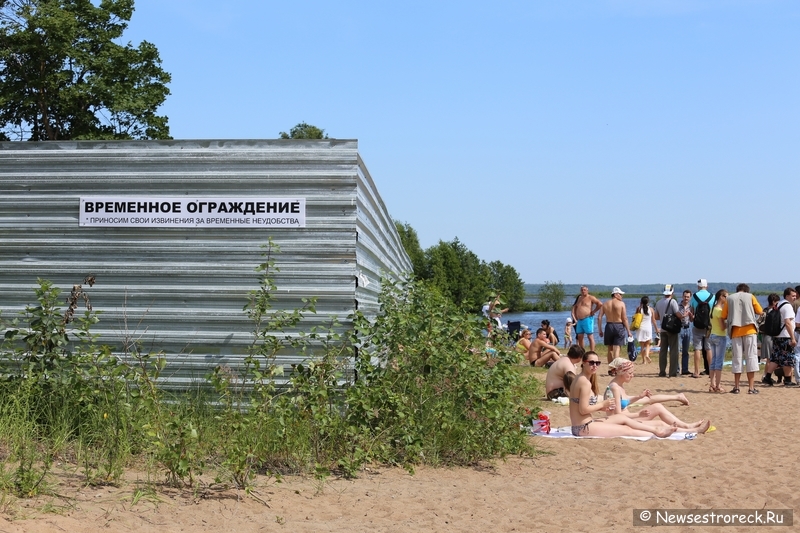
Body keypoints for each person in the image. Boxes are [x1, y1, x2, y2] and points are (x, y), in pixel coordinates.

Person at [567, 351, 676, 438]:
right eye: (591, 363)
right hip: (582, 427)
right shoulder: (584, 382)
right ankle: (656, 434)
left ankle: (655, 430)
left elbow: (580, 406)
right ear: (584, 363)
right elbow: (583, 410)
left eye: (597, 363)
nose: (595, 366)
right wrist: (602, 404)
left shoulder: (580, 379)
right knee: (627, 430)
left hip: (583, 424)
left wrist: (602, 409)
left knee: (622, 419)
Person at [604, 359, 710, 433]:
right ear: (621, 372)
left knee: (657, 406)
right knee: (660, 423)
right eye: (630, 373)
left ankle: (686, 425)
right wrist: (638, 414)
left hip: (629, 419)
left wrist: (639, 396)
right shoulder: (615, 388)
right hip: (622, 422)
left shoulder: (619, 385)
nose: (632, 375)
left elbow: (624, 401)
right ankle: (694, 430)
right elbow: (618, 415)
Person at [721, 283, 763, 394]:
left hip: (736, 331)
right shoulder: (751, 296)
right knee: (751, 358)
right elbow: (760, 311)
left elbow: (723, 316)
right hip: (750, 330)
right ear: (746, 290)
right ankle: (751, 387)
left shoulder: (729, 299)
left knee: (737, 359)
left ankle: (736, 387)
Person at [762, 288, 798, 387]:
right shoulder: (787, 306)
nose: (795, 298)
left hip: (777, 335)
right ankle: (787, 380)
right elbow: (788, 322)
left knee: (775, 358)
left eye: (795, 296)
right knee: (788, 358)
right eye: (793, 296)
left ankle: (767, 377)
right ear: (787, 296)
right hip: (785, 336)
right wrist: (793, 338)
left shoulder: (779, 304)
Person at [598, 287, 631, 366]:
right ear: (616, 294)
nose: (621, 296)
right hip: (618, 325)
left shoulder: (605, 304)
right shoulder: (621, 304)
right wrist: (628, 331)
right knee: (616, 348)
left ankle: (610, 368)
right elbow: (625, 318)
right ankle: (615, 368)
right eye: (620, 294)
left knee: (610, 348)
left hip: (609, 326)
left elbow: (599, 317)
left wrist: (600, 329)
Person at [653, 284, 680, 377]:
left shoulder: (659, 302)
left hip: (663, 329)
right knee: (673, 351)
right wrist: (683, 316)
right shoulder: (673, 302)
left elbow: (656, 316)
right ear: (672, 292)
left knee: (663, 351)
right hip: (672, 329)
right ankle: (672, 372)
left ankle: (662, 371)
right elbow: (677, 314)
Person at [691, 279, 714, 377]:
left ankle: (696, 371)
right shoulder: (712, 297)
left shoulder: (694, 296)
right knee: (708, 348)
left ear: (698, 286)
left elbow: (692, 311)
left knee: (697, 349)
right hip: (709, 325)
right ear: (707, 286)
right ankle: (711, 371)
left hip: (697, 326)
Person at [707, 289, 728, 393]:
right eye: (726, 297)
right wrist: (729, 323)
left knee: (714, 360)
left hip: (712, 335)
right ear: (721, 297)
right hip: (720, 336)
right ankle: (718, 385)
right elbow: (722, 326)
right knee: (719, 361)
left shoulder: (712, 308)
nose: (726, 299)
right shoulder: (719, 310)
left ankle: (712, 383)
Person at [571, 286, 602, 351]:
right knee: (580, 336)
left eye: (584, 290)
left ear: (587, 290)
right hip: (579, 320)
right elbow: (575, 307)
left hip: (587, 319)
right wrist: (575, 316)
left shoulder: (591, 297)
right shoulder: (579, 298)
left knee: (590, 336)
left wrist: (593, 311)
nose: (583, 291)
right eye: (582, 290)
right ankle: (582, 352)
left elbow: (600, 304)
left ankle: (592, 352)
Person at [633, 296, 657, 365]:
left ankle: (644, 361)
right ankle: (647, 355)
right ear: (648, 302)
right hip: (648, 328)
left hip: (641, 328)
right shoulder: (651, 309)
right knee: (648, 345)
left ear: (641, 302)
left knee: (642, 346)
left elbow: (635, 317)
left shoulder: (639, 309)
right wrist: (656, 329)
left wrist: (640, 306)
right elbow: (654, 320)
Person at [676, 290, 694, 376]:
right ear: (682, 296)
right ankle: (677, 369)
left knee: (686, 350)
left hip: (688, 328)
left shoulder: (691, 306)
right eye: (685, 296)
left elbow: (691, 320)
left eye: (688, 297)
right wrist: (683, 315)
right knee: (677, 350)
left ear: (690, 297)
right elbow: (676, 316)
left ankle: (685, 369)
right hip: (679, 328)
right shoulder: (678, 305)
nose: (686, 298)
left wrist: (691, 316)